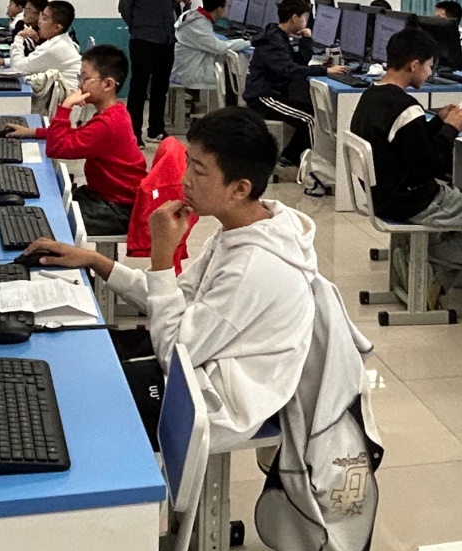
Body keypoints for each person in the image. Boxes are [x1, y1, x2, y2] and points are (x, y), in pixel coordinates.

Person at [23, 107, 318, 450]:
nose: (185, 179)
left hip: (213, 404)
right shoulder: (246, 227)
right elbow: (177, 298)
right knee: (72, 359)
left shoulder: (254, 266)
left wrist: (162, 257)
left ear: (240, 189)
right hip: (198, 363)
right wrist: (97, 261)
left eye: (199, 170)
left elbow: (174, 354)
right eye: (188, 163)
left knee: (67, 408)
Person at [350, 26, 462, 287]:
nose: (431, 73)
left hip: (384, 195)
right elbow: (427, 166)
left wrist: (439, 122)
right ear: (414, 65)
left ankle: (431, 275)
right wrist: (451, 129)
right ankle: (427, 260)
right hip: (412, 199)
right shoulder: (406, 107)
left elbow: (407, 143)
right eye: (429, 66)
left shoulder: (372, 95)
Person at [2, 44, 147, 235]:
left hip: (118, 208)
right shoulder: (114, 113)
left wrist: (66, 106)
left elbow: (56, 148)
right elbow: (77, 134)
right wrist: (33, 132)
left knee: (46, 224)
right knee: (48, 205)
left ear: (108, 84)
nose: (79, 84)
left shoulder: (107, 124)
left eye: (85, 78)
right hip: (105, 195)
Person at [243, 0, 345, 167]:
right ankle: (313, 167)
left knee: (311, 113)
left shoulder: (279, 36)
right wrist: (325, 70)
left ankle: (290, 158)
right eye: (304, 17)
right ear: (295, 18)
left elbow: (298, 64)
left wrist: (306, 40)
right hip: (263, 96)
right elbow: (289, 70)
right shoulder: (273, 40)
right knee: (310, 118)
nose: (306, 21)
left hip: (273, 92)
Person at [119, 0, 182, 142]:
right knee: (138, 89)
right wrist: (139, 27)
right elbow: (125, 7)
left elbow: (171, 3)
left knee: (160, 88)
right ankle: (133, 133)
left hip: (166, 40)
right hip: (143, 40)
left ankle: (156, 129)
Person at [0, 0, 82, 98]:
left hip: (67, 103)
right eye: (41, 16)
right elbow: (31, 61)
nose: (39, 22)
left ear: (57, 27)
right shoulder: (58, 42)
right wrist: (3, 62)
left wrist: (19, 37)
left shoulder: (56, 48)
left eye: (44, 18)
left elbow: (17, 69)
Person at [175, 0, 251, 100]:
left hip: (188, 66)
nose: (226, 9)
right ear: (219, 8)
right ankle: (229, 107)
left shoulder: (194, 17)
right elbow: (218, 47)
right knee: (231, 74)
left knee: (229, 68)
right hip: (191, 73)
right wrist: (246, 42)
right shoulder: (198, 24)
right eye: (226, 6)